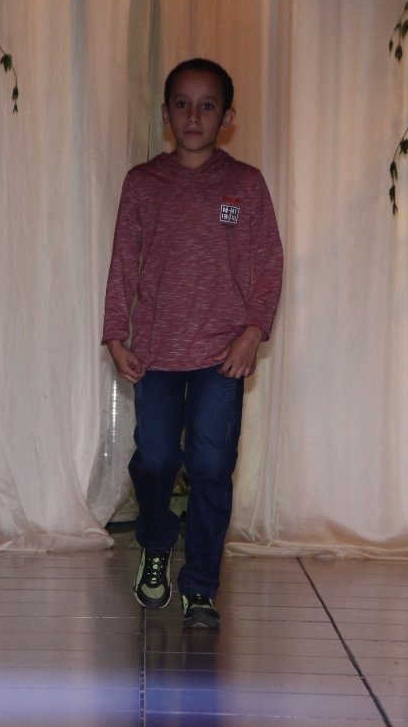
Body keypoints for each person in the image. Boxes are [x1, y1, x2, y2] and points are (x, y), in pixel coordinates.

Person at [101, 58, 284, 629]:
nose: (194, 116)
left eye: (208, 106)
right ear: (166, 114)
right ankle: (157, 540)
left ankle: (201, 585)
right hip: (155, 353)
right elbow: (122, 264)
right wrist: (115, 334)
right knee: (155, 458)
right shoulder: (143, 183)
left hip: (221, 358)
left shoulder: (245, 184)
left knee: (210, 467)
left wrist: (253, 333)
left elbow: (269, 264)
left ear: (227, 117)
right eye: (182, 104)